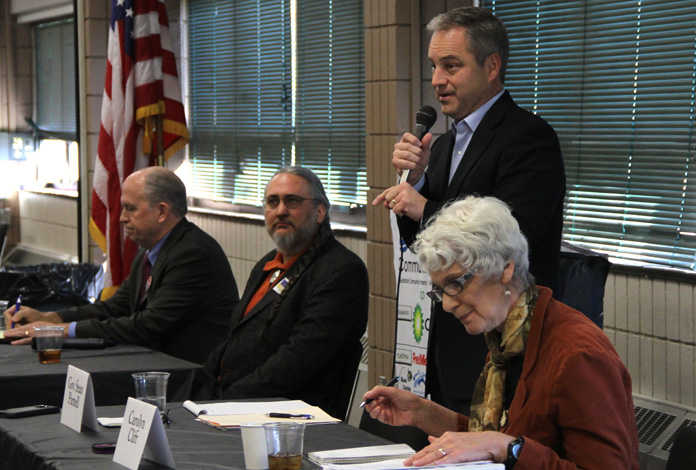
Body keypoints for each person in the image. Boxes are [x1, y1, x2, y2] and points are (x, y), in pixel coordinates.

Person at [372, 6, 566, 414]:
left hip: (503, 348)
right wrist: (417, 183)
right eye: (434, 66)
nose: (437, 81)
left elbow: (516, 238)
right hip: (447, 343)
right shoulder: (441, 146)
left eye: (451, 66)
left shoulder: (528, 138)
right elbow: (424, 249)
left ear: (492, 65)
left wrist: (424, 206)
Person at [363, 196, 638, 470]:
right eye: (439, 291)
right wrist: (422, 412)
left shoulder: (578, 353)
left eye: (456, 283)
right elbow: (490, 438)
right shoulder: (508, 338)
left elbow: (504, 445)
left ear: (506, 269)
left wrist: (509, 448)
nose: (446, 304)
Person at [3, 167, 239, 364]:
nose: (121, 218)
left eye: (130, 208)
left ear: (161, 212)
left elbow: (148, 325)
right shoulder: (150, 250)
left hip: (191, 375)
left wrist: (59, 331)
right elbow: (116, 307)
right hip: (155, 362)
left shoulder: (192, 253)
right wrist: (51, 317)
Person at [191, 167, 368, 419]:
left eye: (292, 201)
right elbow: (233, 339)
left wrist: (226, 401)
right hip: (233, 407)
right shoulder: (268, 264)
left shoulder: (341, 271)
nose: (281, 211)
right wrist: (201, 390)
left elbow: (297, 362)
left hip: (290, 419)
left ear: (319, 212)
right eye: (272, 202)